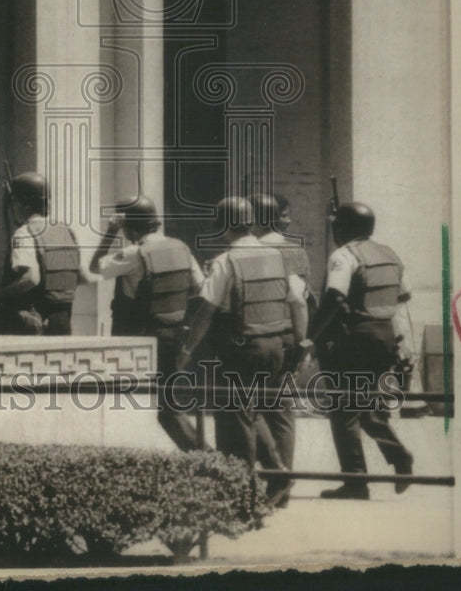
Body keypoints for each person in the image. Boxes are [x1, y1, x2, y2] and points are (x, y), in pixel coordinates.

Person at [177, 197, 308, 500]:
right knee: (255, 412)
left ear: (224, 226)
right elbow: (298, 301)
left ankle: (242, 494)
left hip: (241, 349)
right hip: (278, 345)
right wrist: (300, 345)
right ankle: (277, 475)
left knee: (235, 420)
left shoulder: (226, 261)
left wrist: (187, 349)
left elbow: (206, 311)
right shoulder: (278, 256)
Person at [309, 201, 414, 499]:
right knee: (369, 408)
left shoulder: (343, 255)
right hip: (383, 336)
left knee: (344, 410)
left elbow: (334, 297)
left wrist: (310, 336)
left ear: (340, 228)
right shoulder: (389, 254)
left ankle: (356, 481)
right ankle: (399, 457)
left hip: (352, 339)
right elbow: (403, 296)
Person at [90, 194, 204, 451]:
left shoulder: (134, 253)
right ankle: (204, 457)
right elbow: (198, 288)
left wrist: (110, 232)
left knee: (137, 407)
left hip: (140, 341)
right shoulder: (181, 247)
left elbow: (95, 267)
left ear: (129, 226)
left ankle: (205, 457)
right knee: (168, 405)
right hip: (174, 336)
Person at [248, 193, 314, 487]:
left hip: (257, 336)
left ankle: (266, 477)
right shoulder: (297, 252)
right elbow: (303, 299)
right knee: (283, 412)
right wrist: (304, 343)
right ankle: (283, 480)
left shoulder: (247, 252)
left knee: (247, 408)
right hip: (290, 335)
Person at [0, 171, 88, 335]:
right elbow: (81, 277)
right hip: (63, 324)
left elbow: (31, 278)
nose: (13, 207)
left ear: (25, 205)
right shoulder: (66, 231)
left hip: (32, 324)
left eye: (14, 202)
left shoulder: (24, 233)